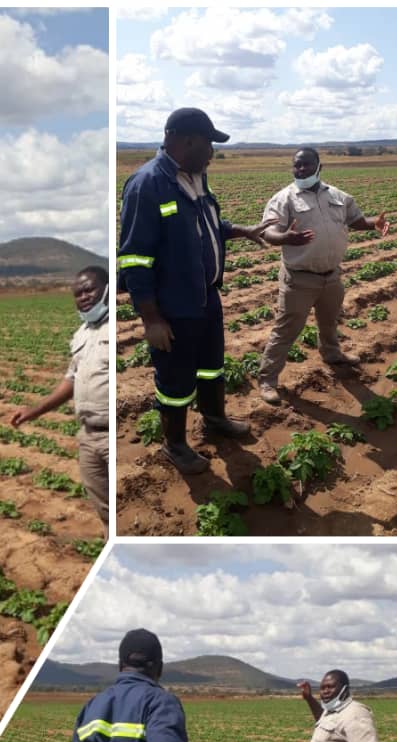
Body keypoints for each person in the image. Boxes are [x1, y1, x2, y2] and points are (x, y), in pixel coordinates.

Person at [118, 107, 276, 475]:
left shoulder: (194, 178)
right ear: (187, 141)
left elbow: (208, 225)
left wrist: (241, 230)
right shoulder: (148, 184)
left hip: (206, 297)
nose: (212, 154)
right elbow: (135, 259)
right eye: (209, 145)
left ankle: (215, 419)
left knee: (210, 367)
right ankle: (175, 444)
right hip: (172, 307)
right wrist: (151, 318)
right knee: (174, 378)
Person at [258, 147, 390, 405]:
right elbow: (268, 232)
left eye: (307, 165)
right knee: (286, 331)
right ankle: (267, 380)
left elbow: (354, 220)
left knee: (329, 321)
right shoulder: (284, 198)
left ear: (320, 166)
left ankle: (331, 354)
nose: (301, 170)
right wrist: (283, 237)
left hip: (331, 276)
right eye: (297, 166)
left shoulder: (338, 195)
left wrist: (373, 222)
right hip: (299, 279)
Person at [12, 265, 109, 536]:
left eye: (89, 289)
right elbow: (72, 380)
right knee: (104, 508)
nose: (84, 297)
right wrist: (35, 411)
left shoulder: (115, 328)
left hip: (112, 434)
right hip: (89, 436)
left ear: (107, 288)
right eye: (78, 294)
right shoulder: (82, 334)